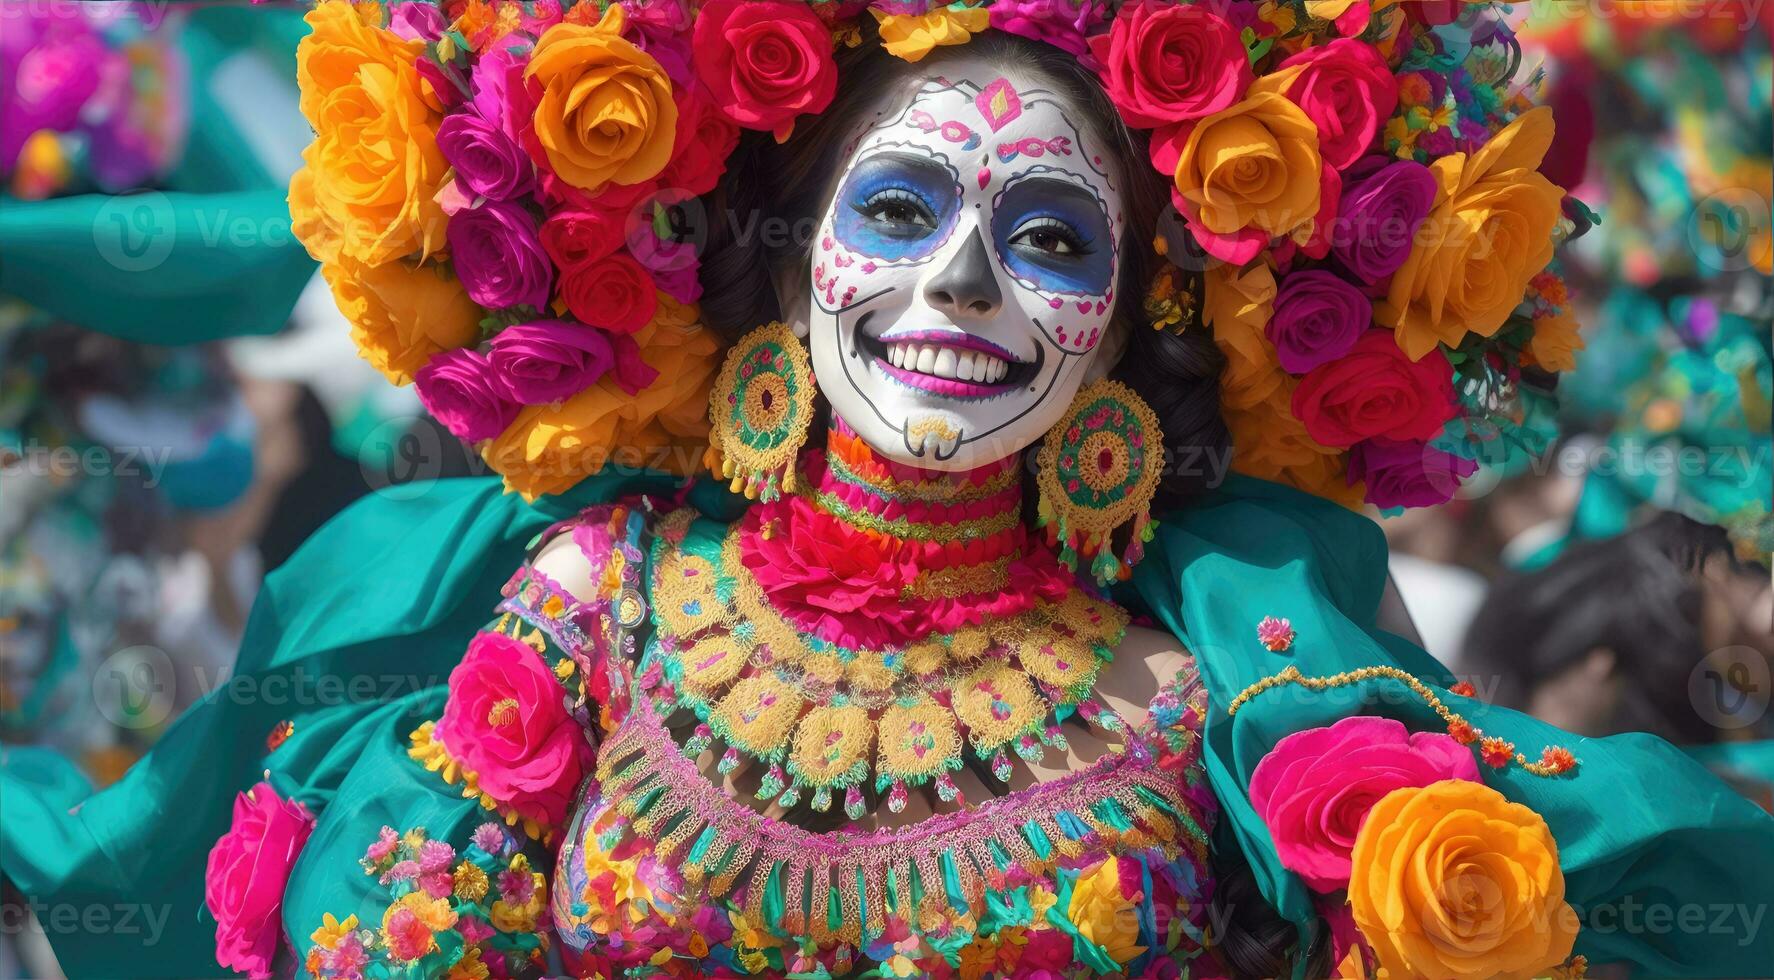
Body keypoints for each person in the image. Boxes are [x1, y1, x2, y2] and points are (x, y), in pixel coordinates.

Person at [4, 3, 1771, 979]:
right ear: (783, 273)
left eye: (1049, 238)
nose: (958, 289)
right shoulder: (591, 601)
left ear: (1129, 336)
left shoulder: (1206, 699)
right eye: (902, 211)